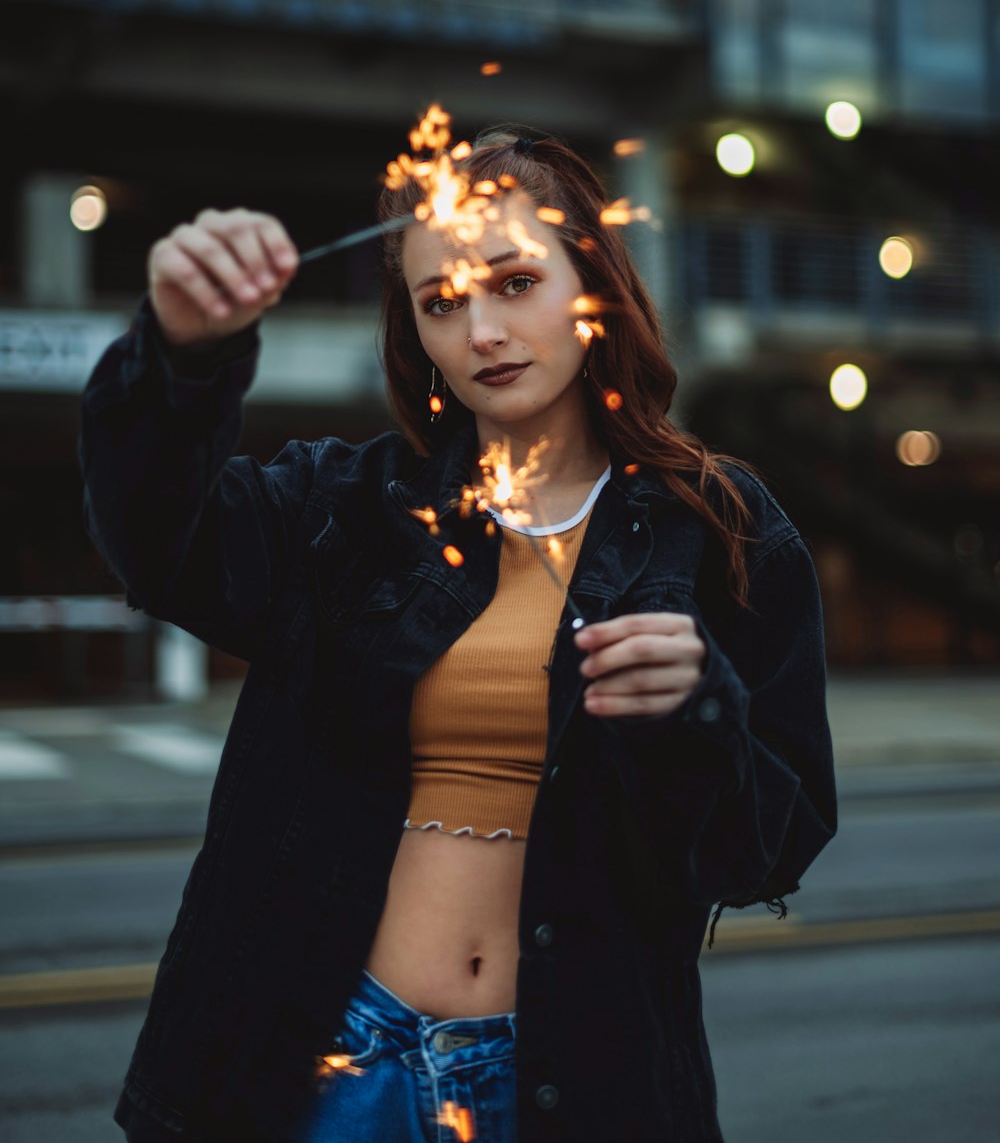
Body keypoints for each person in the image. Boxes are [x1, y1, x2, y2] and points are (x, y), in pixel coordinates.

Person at [80, 127, 837, 1143]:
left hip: (570, 1076)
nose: (481, 330)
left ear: (593, 285)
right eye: (441, 303)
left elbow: (768, 853)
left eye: (514, 282)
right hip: (327, 1059)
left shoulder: (719, 527)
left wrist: (700, 714)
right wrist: (179, 353)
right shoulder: (348, 506)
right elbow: (154, 541)